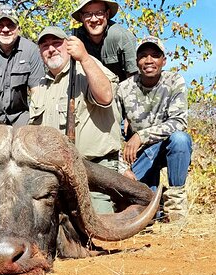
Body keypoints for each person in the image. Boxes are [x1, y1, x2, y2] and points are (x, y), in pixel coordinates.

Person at [29, 26, 121, 213]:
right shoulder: (41, 86)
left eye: (57, 43)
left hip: (94, 170)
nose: (51, 49)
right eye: (45, 46)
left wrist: (85, 57)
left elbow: (105, 96)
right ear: (40, 53)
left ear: (69, 45)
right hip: (55, 175)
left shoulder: (86, 67)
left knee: (98, 232)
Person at [117, 36, 192, 221]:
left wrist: (140, 136)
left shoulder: (175, 81)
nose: (149, 60)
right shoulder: (123, 88)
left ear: (163, 61)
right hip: (140, 156)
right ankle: (156, 204)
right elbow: (111, 132)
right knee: (145, 215)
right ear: (137, 62)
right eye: (143, 56)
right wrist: (121, 167)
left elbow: (179, 122)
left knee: (181, 139)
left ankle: (175, 205)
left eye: (155, 55)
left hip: (167, 148)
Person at [71, 0, 138, 82]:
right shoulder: (75, 39)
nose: (94, 19)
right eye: (88, 14)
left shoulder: (122, 37)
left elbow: (134, 78)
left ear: (107, 14)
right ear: (81, 17)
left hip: (120, 91)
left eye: (99, 13)